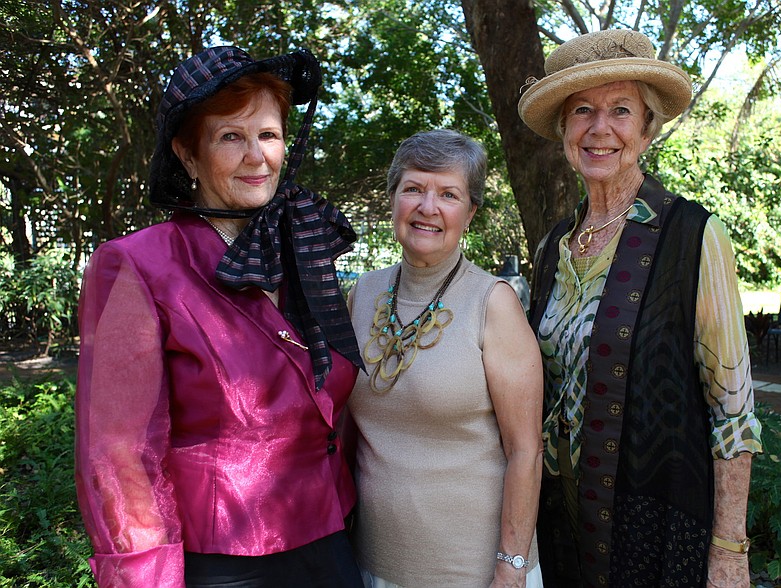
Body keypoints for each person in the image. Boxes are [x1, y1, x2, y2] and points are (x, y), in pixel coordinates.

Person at [75, 46, 365, 587]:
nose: (257, 156)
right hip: (224, 562)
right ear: (188, 155)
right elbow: (118, 455)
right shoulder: (138, 264)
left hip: (331, 538)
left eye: (269, 135)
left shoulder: (301, 251)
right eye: (231, 136)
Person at [517, 29, 763, 588]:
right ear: (563, 130)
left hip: (655, 523)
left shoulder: (694, 237)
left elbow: (734, 411)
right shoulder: (553, 246)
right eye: (582, 111)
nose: (599, 128)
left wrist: (729, 550)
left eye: (620, 110)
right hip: (561, 527)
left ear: (648, 128)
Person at [345, 129, 545, 588]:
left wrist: (510, 569)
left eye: (448, 194)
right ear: (393, 198)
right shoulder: (363, 294)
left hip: (474, 573)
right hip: (371, 565)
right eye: (413, 188)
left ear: (470, 212)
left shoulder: (492, 303)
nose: (428, 207)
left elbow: (525, 451)